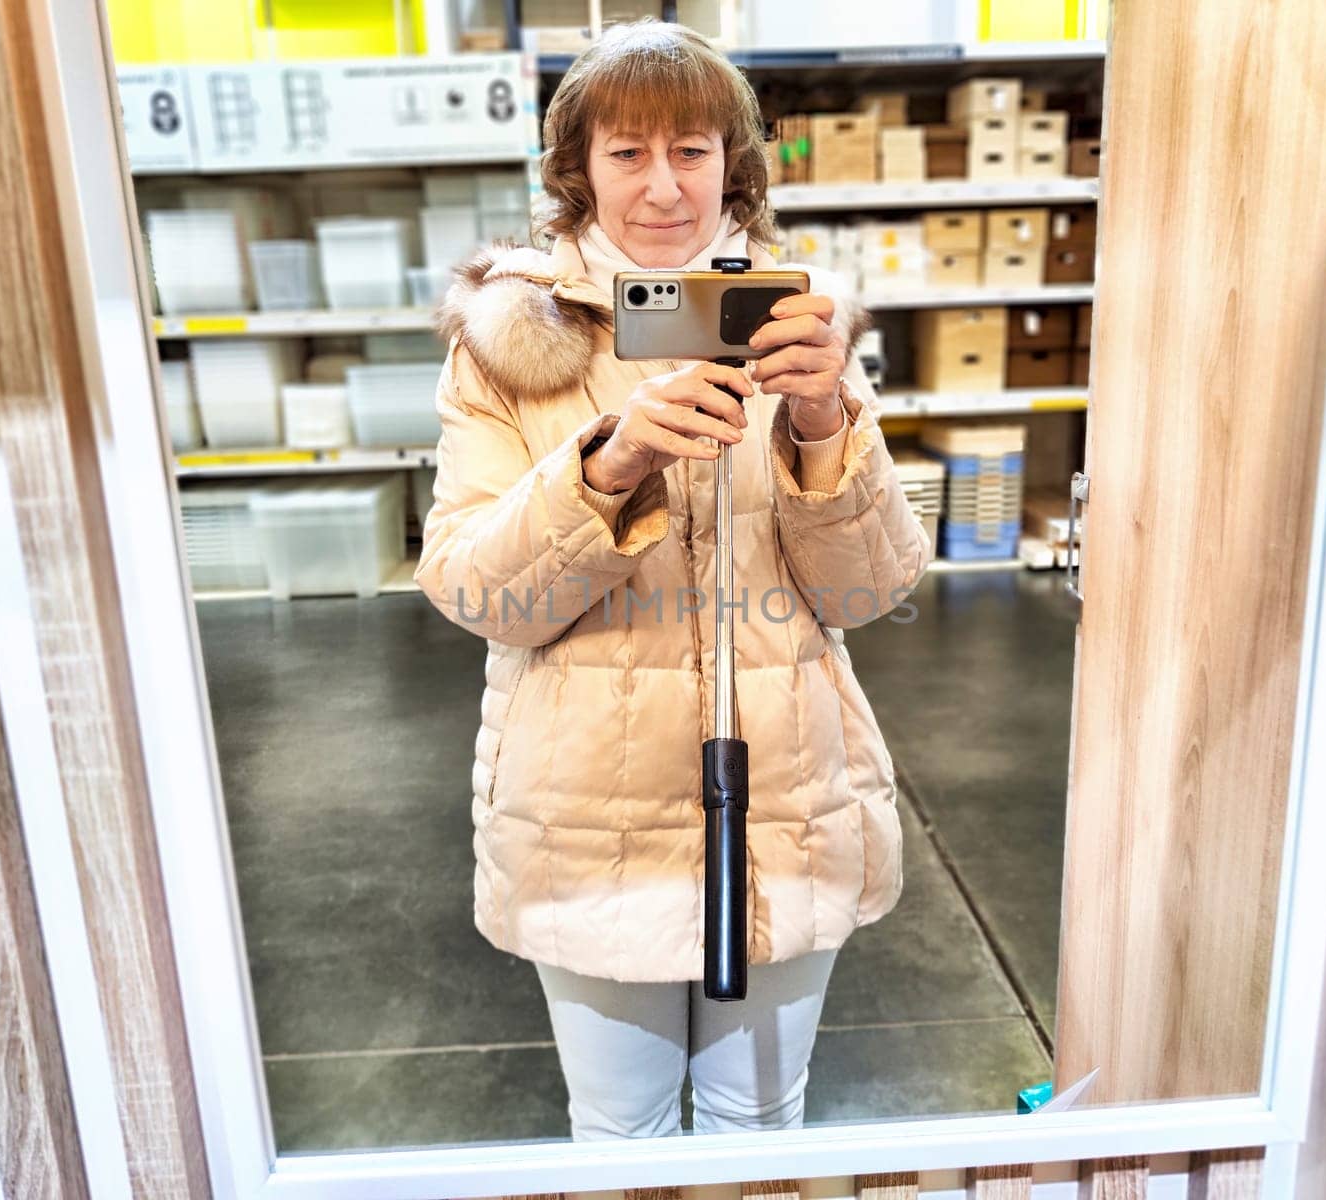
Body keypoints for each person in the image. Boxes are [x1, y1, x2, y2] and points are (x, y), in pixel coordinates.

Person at [413, 19, 931, 1141]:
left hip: (789, 795)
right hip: (585, 816)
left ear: (733, 166)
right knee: (622, 1137)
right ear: (576, 171)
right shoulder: (509, 342)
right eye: (627, 154)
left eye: (691, 151)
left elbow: (868, 590)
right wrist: (608, 463)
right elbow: (473, 590)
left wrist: (822, 420)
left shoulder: (801, 326)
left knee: (763, 1123)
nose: (661, 188)